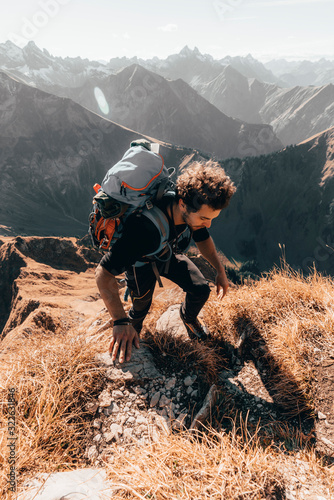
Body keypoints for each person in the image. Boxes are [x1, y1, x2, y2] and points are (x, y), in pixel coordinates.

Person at [95, 160, 236, 364]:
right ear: (182, 204)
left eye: (212, 218)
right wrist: (119, 321)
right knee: (141, 307)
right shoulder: (144, 231)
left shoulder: (190, 209)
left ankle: (187, 318)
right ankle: (131, 337)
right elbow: (103, 273)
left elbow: (202, 236)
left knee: (200, 289)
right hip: (141, 263)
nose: (209, 223)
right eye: (205, 218)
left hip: (165, 252)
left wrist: (220, 270)